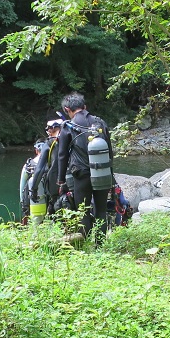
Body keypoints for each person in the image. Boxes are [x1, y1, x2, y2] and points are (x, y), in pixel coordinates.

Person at [56, 93, 113, 241]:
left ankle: (85, 243)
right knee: (101, 210)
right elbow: (110, 153)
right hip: (102, 171)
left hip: (81, 174)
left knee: (84, 211)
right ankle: (100, 244)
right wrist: (110, 175)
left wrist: (61, 180)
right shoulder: (99, 122)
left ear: (67, 109)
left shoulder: (68, 126)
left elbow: (62, 155)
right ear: (84, 107)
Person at [32, 118, 63, 216]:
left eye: (49, 129)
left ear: (53, 129)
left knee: (56, 214)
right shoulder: (72, 140)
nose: (48, 131)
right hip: (74, 182)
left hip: (56, 186)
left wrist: (34, 189)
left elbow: (39, 169)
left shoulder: (50, 142)